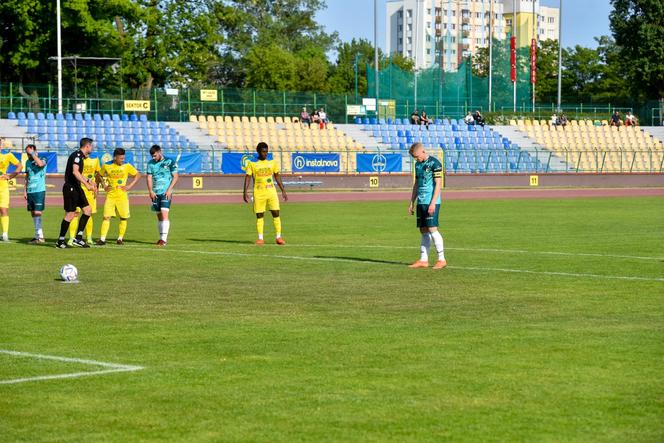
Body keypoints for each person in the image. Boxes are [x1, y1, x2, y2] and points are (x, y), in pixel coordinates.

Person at [407, 143, 446, 269]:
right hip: (421, 201)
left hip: (431, 201)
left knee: (432, 228)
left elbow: (438, 184)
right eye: (414, 157)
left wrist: (433, 202)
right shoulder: (417, 165)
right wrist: (412, 202)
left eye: (417, 156)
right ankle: (424, 260)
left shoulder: (435, 163)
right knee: (423, 230)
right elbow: (416, 184)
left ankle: (441, 259)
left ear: (423, 151)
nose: (416, 159)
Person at [243, 142, 288, 245]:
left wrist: (283, 190)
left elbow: (277, 176)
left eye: (266, 151)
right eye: (263, 151)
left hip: (271, 192)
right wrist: (245, 192)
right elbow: (248, 178)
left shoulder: (272, 162)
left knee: (276, 213)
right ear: (258, 151)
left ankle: (278, 237)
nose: (265, 153)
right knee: (259, 215)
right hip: (259, 193)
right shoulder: (252, 163)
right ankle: (260, 238)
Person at [55, 137, 96, 248]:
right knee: (70, 214)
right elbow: (75, 172)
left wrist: (88, 180)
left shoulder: (81, 157)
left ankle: (78, 238)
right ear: (87, 146)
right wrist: (87, 185)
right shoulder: (77, 156)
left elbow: (78, 174)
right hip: (71, 188)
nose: (92, 148)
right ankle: (60, 241)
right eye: (91, 146)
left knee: (88, 210)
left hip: (77, 187)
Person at [96, 148, 141, 246]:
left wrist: (129, 186)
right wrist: (104, 185)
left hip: (122, 196)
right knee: (106, 217)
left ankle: (120, 238)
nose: (122, 160)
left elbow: (137, 175)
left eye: (123, 158)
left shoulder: (127, 166)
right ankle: (102, 239)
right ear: (115, 157)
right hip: (111, 195)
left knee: (123, 218)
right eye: (121, 158)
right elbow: (99, 174)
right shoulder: (107, 165)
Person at [67, 148, 101, 245]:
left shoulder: (95, 160)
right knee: (75, 214)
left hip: (89, 191)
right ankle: (71, 238)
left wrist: (96, 188)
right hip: (77, 190)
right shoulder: (77, 160)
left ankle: (89, 237)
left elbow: (98, 174)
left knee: (88, 214)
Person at [146, 144, 179, 246]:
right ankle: (161, 238)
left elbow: (175, 176)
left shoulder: (169, 161)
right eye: (152, 156)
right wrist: (151, 191)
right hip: (155, 193)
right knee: (159, 217)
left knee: (165, 215)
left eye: (155, 155)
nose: (153, 158)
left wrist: (169, 190)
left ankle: (163, 240)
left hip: (165, 192)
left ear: (160, 152)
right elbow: (149, 178)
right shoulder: (150, 163)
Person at [23, 144, 47, 244]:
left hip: (39, 190)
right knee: (33, 213)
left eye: (29, 153)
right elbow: (27, 176)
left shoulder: (43, 158)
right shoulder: (27, 162)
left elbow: (41, 164)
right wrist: (24, 190)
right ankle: (37, 235)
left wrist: (32, 154)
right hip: (30, 191)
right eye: (27, 153)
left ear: (35, 151)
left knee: (37, 212)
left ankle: (40, 236)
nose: (28, 155)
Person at [0, 147, 23, 241]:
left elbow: (20, 166)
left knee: (3, 209)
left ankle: (5, 234)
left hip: (2, 186)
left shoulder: (7, 154)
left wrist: (10, 176)